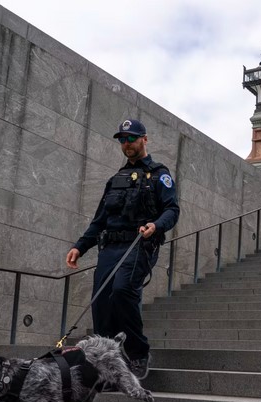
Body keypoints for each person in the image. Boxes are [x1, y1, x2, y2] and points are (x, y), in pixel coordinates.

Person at [65, 119, 179, 380]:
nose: (127, 144)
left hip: (139, 245)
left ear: (144, 139)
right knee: (101, 304)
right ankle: (108, 361)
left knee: (122, 291)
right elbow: (100, 220)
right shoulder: (115, 179)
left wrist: (156, 225)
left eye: (131, 138)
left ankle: (138, 353)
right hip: (110, 248)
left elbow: (172, 210)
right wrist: (80, 247)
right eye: (122, 140)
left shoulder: (159, 174)